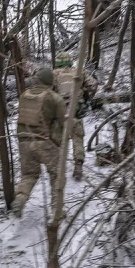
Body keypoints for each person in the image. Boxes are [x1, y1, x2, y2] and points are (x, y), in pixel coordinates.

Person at [12, 67, 66, 218]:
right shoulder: (55, 98)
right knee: (57, 173)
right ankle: (57, 209)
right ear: (51, 81)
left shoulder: (24, 95)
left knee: (29, 175)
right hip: (44, 142)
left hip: (23, 142)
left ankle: (20, 199)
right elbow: (64, 122)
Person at [53, 52, 98, 180]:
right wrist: (87, 98)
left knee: (57, 138)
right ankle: (78, 166)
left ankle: (57, 167)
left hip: (60, 108)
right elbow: (93, 84)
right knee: (78, 137)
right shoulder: (79, 71)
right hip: (76, 108)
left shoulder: (54, 73)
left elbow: (47, 91)